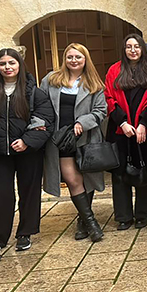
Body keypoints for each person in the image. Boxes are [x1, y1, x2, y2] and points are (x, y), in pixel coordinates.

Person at [0, 48, 54, 254]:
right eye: (2, 64)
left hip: (28, 151)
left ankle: (25, 233)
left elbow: (45, 120)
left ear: (19, 65)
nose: (7, 67)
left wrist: (26, 141)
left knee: (29, 192)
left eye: (11, 63)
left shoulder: (34, 92)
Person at [41, 43, 108, 243]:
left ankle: (82, 221)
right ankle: (91, 223)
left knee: (88, 178)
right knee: (72, 179)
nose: (74, 60)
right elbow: (41, 106)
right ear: (65, 59)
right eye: (70, 57)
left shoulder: (94, 84)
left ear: (85, 59)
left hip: (86, 138)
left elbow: (101, 111)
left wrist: (82, 122)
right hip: (62, 140)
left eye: (78, 57)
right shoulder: (51, 80)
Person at [104, 34, 147, 231]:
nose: (133, 50)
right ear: (124, 49)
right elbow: (109, 98)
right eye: (129, 46)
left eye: (137, 46)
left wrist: (143, 124)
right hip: (120, 129)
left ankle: (143, 214)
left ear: (142, 48)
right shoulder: (114, 70)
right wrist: (122, 123)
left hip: (145, 130)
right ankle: (123, 216)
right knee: (120, 174)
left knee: (145, 171)